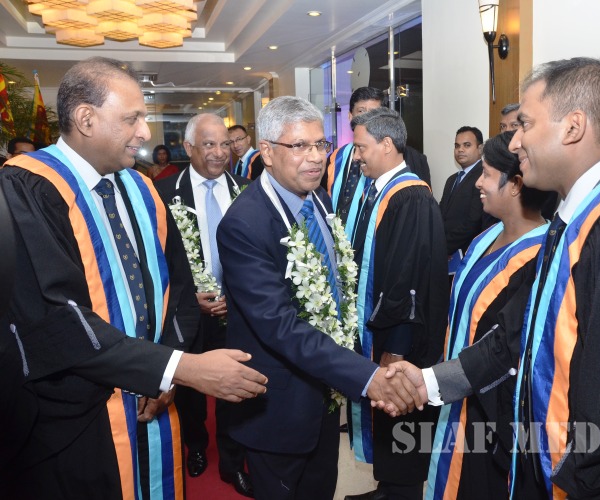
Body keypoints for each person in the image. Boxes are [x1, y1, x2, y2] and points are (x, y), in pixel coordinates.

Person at [386, 57, 600, 499]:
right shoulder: (572, 220)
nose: (515, 142)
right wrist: (430, 381)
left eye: (525, 125)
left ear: (573, 127)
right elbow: (517, 335)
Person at [0, 56, 268, 500]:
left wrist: (163, 375)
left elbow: (178, 289)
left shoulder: (142, 189)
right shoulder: (25, 189)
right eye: (133, 118)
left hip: (152, 397)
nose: (145, 132)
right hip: (74, 416)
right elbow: (57, 318)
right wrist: (178, 368)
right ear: (86, 119)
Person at [217, 95, 423, 500]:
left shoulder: (319, 200)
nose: (316, 158)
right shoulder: (244, 224)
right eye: (300, 146)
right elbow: (280, 326)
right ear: (267, 152)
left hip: (325, 396)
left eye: (320, 144)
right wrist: (366, 377)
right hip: (278, 407)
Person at [423, 131, 549, 500]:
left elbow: (506, 349)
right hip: (456, 394)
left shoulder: (540, 257)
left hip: (492, 413)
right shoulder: (484, 239)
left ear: (516, 185)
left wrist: (429, 382)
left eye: (487, 174)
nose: (478, 183)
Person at [343, 107, 448, 500]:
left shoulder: (411, 197)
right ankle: (387, 487)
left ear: (386, 144)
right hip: (385, 329)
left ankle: (401, 492)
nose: (356, 156)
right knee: (388, 413)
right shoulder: (382, 191)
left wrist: (396, 347)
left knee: (402, 410)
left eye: (361, 147)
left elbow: (409, 279)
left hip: (401, 337)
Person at [155, 114, 253, 496]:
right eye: (209, 144)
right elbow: (157, 260)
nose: (219, 152)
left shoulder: (248, 190)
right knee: (191, 390)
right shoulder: (164, 192)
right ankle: (195, 445)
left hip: (238, 313)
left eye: (225, 144)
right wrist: (188, 298)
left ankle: (232, 462)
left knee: (235, 389)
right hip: (189, 312)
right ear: (189, 147)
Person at [323, 87, 432, 223]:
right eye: (361, 111)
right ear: (350, 116)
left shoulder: (412, 159)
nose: (367, 118)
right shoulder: (336, 157)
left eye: (374, 113)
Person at [439, 126, 495, 257]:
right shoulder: (451, 180)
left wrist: (443, 246)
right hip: (445, 251)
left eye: (467, 145)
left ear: (480, 149)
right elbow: (441, 214)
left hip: (468, 252)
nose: (460, 150)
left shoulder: (483, 177)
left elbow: (473, 222)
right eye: (457, 146)